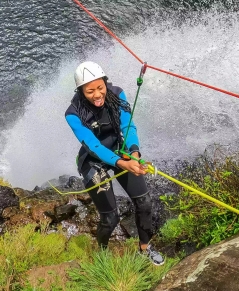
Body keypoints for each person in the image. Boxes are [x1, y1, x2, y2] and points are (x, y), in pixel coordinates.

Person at [64, 61, 164, 265]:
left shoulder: (117, 95)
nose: (97, 94)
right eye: (90, 91)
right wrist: (121, 163)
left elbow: (128, 125)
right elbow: (93, 146)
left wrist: (134, 151)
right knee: (110, 219)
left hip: (120, 150)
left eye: (100, 88)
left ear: (105, 83)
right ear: (81, 91)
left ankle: (145, 249)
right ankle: (101, 253)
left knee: (144, 202)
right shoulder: (73, 113)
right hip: (93, 161)